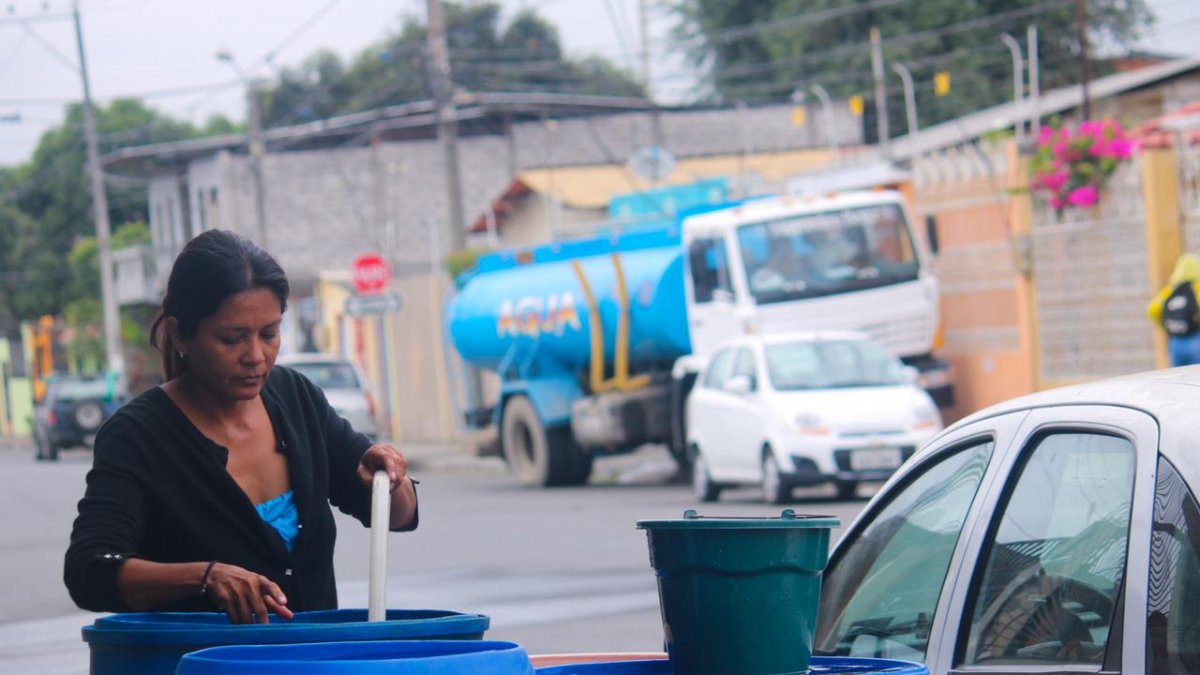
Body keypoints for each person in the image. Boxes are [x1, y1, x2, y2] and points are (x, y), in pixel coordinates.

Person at [64, 230, 418, 624]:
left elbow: (397, 517)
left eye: (269, 334)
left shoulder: (296, 399)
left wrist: (390, 479)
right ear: (181, 334)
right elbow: (89, 570)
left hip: (316, 661)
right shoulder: (138, 436)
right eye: (231, 339)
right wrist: (205, 576)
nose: (255, 356)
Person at [1147, 253, 1200, 367]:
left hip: (1176, 342)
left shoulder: (1170, 290)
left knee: (1179, 379)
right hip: (1196, 339)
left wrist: (1167, 326)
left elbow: (1152, 310)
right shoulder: (1197, 287)